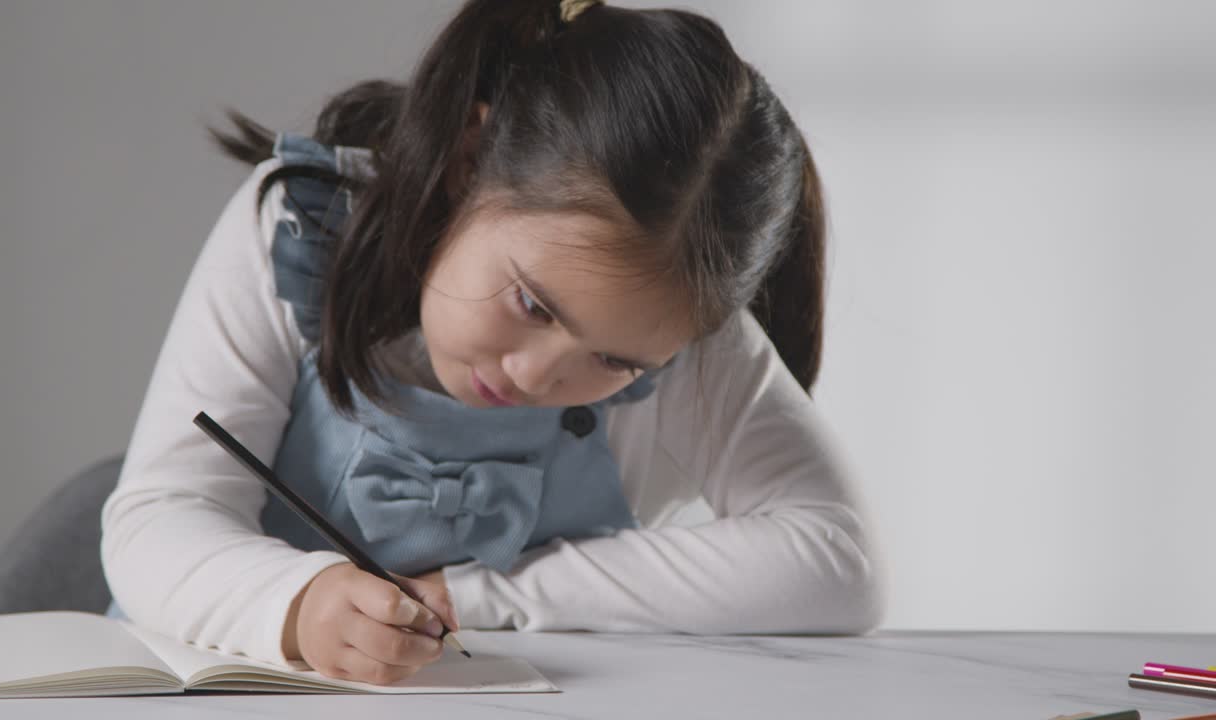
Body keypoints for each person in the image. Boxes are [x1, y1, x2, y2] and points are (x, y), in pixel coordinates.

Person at [100, 0, 886, 687]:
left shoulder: (673, 313)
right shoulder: (299, 233)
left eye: (616, 363)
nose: (536, 373)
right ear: (468, 166)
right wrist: (294, 604)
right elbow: (157, 522)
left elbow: (836, 561)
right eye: (532, 304)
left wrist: (475, 597)